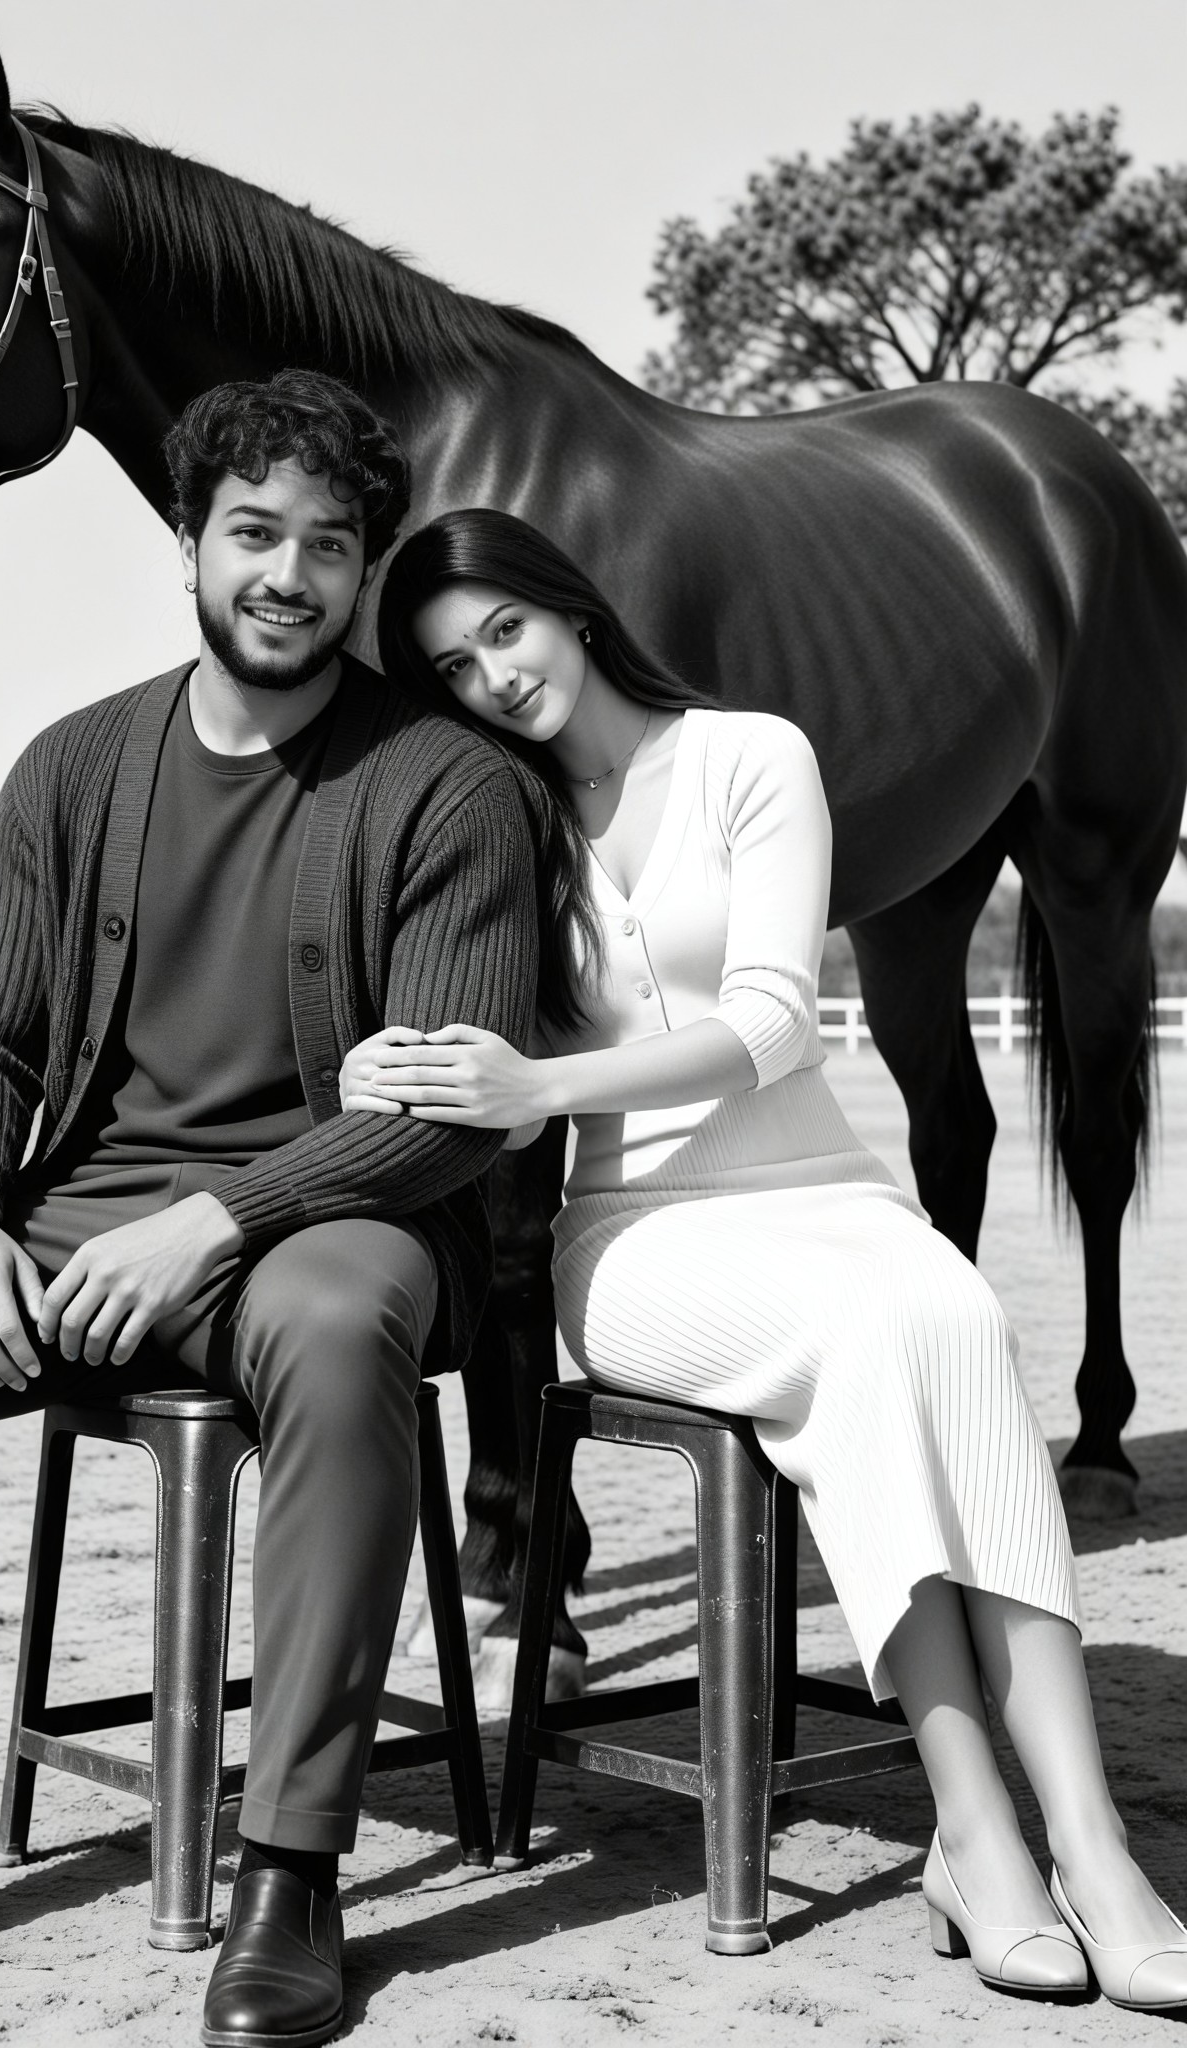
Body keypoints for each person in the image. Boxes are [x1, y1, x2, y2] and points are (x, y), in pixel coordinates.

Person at [0, 378, 539, 2048]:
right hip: (74, 1223)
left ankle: (289, 1866)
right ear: (191, 544)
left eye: (330, 547)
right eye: (255, 534)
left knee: (343, 1332)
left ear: (365, 575)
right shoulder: (72, 769)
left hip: (329, 1222)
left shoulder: (449, 785)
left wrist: (219, 1218)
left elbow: (428, 1120)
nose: (289, 575)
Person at [347, 505, 1187, 2014]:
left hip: (820, 1189)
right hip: (637, 1239)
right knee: (875, 1337)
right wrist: (381, 1066)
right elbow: (425, 997)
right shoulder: (502, 816)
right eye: (452, 670)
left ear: (570, 609)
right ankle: (978, 1828)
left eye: (504, 634)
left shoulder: (750, 755)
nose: (491, 681)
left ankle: (1092, 1841)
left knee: (946, 1302)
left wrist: (538, 1085)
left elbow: (778, 1022)